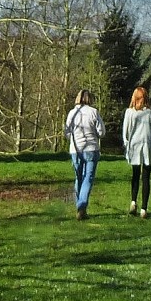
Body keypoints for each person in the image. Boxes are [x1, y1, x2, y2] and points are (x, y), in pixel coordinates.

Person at [121, 85, 151, 219]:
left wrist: (127, 145)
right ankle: (144, 208)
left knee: (135, 174)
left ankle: (133, 201)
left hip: (135, 146)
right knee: (146, 177)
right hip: (149, 146)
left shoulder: (130, 112)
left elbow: (125, 133)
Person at [64, 88, 104, 219]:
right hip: (91, 148)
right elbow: (101, 132)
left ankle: (79, 206)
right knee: (88, 177)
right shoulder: (93, 112)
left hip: (76, 149)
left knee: (78, 177)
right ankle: (82, 206)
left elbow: (67, 132)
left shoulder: (72, 113)